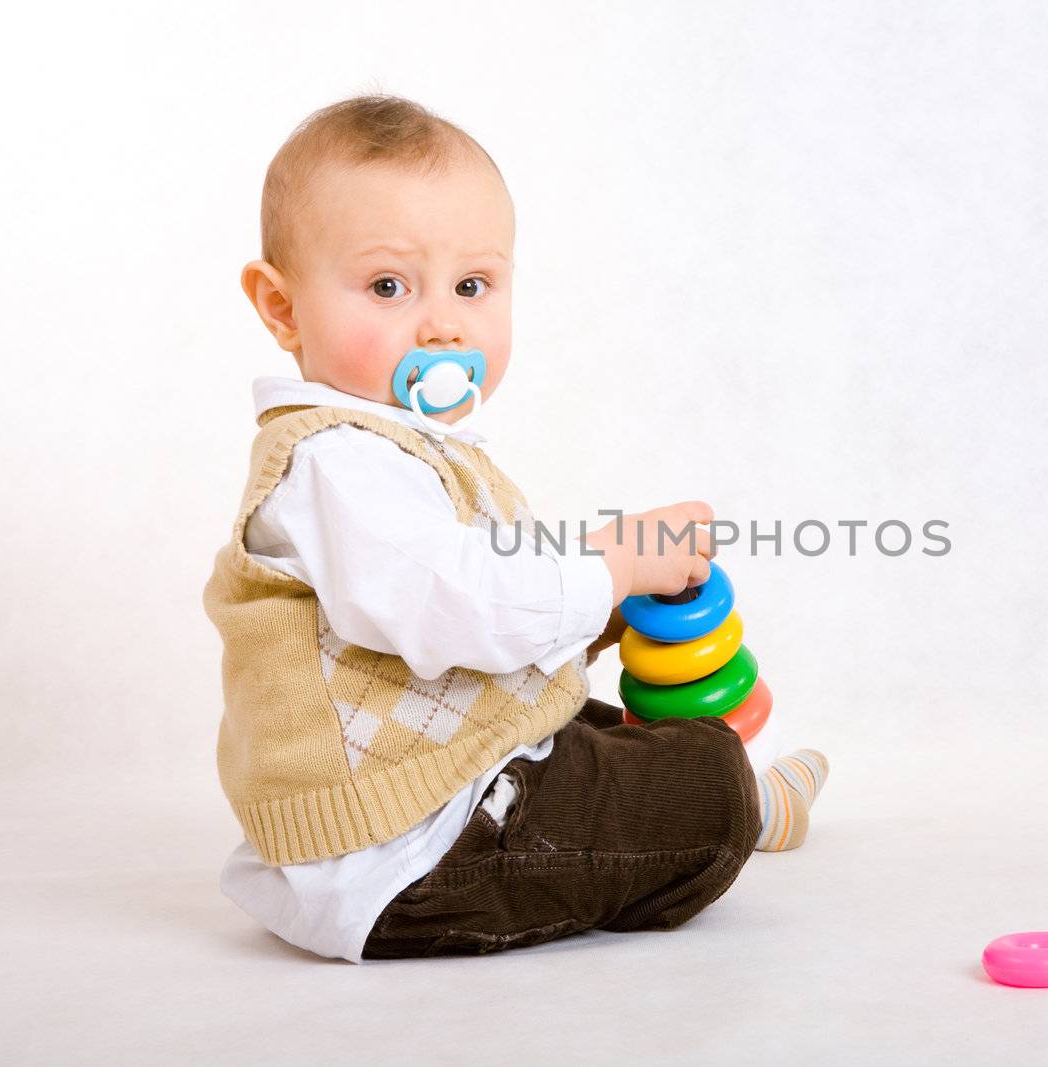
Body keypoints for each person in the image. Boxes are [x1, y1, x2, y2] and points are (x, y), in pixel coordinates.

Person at [203, 95, 829, 962]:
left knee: (595, 726)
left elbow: (476, 616)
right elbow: (449, 605)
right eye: (388, 286)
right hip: (405, 853)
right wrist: (610, 566)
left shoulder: (405, 450)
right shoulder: (336, 461)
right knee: (697, 778)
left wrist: (608, 607)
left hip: (429, 797)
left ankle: (729, 791)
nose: (442, 323)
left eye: (472, 285)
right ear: (282, 308)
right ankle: (744, 806)